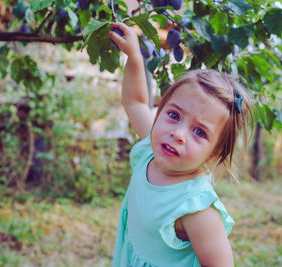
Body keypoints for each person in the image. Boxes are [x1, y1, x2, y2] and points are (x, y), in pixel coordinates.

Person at [109, 22, 254, 267]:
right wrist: (134, 56)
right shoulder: (151, 148)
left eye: (199, 132)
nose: (178, 134)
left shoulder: (195, 207)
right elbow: (135, 102)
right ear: (161, 110)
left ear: (213, 154)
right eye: (174, 115)